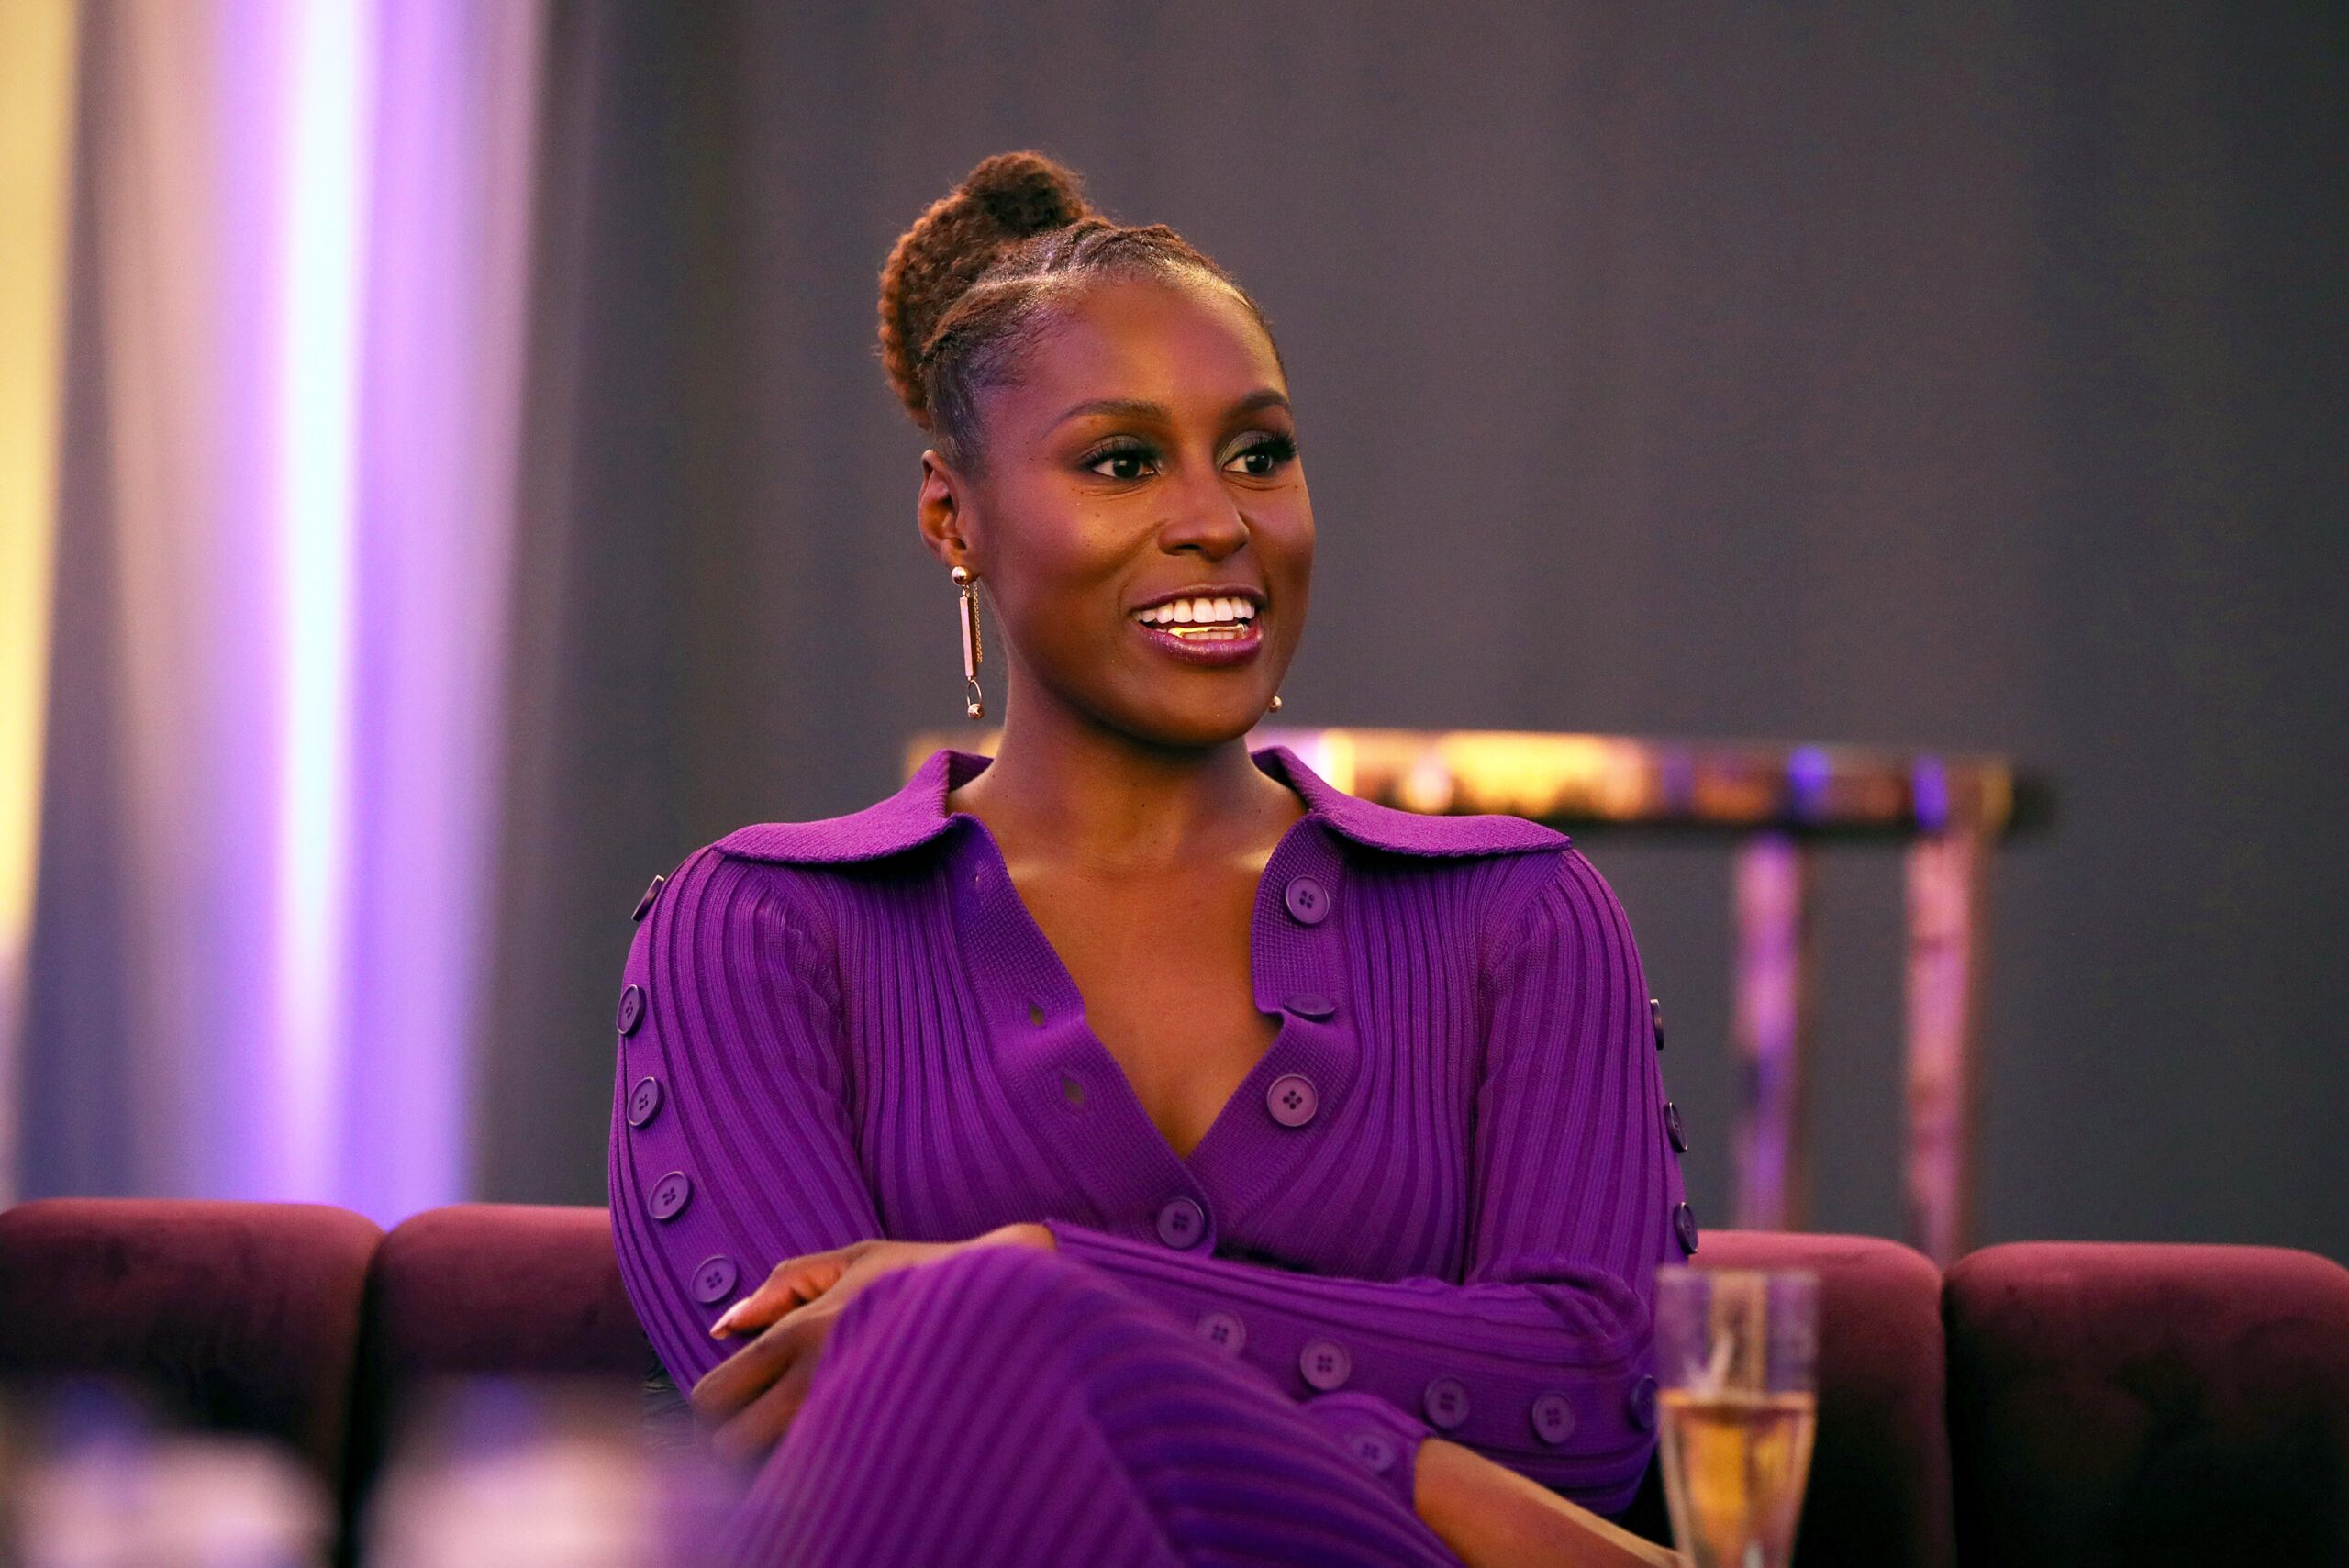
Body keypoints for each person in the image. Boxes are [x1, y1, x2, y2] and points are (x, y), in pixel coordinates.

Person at [609, 150, 1695, 1568]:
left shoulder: (1518, 917)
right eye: (1123, 462)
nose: (1216, 520)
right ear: (951, 514)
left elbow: (1595, 1399)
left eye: (1259, 453)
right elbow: (811, 1443)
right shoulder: (756, 929)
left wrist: (1046, 1280)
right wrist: (1407, 1468)